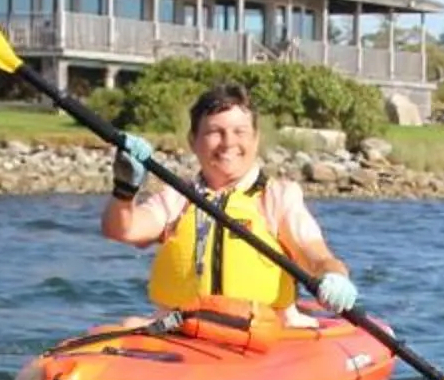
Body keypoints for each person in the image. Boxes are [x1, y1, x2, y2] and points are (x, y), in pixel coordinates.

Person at [99, 81, 358, 319]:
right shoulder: (177, 199)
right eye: (215, 132)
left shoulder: (278, 198)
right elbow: (121, 229)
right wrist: (125, 188)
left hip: (262, 338)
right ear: (193, 141)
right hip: (180, 331)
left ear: (255, 139)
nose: (228, 142)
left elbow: (316, 256)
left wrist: (334, 277)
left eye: (240, 131)